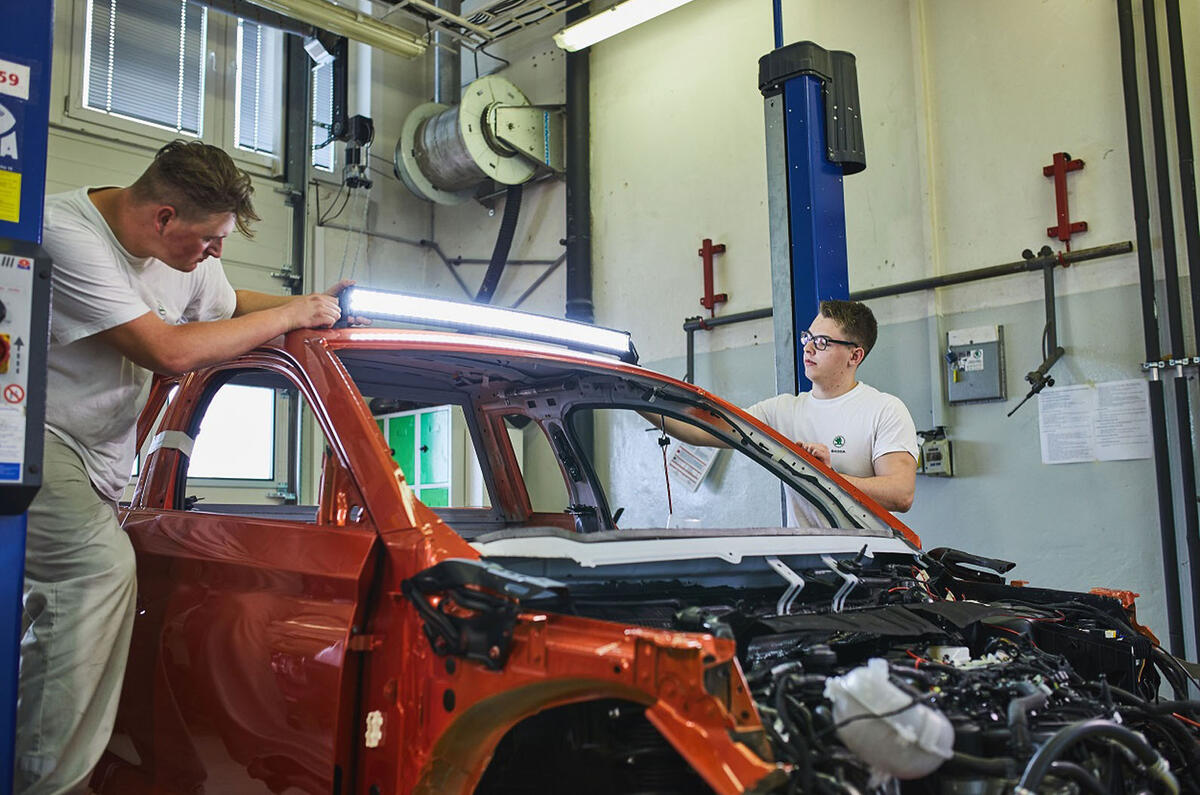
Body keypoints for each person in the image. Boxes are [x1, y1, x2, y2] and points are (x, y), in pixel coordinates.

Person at [16, 140, 347, 795]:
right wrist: (294, 312)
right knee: (97, 572)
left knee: (85, 604)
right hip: (34, 436)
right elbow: (166, 350)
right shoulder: (65, 232)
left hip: (105, 462)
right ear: (164, 217)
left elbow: (227, 308)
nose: (215, 254)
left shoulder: (186, 256)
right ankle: (41, 783)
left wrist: (316, 304)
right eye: (209, 240)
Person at [647, 300, 917, 527]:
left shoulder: (884, 410)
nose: (808, 348)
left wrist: (826, 478)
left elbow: (900, 493)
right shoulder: (780, 411)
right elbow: (699, 429)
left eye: (821, 342)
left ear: (854, 356)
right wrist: (640, 398)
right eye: (808, 338)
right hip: (807, 565)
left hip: (870, 567)